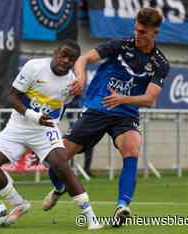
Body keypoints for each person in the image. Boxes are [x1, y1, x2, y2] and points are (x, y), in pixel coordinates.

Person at [42, 7, 170, 227]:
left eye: (143, 32)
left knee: (132, 148)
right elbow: (83, 59)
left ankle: (122, 207)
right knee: (56, 159)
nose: (138, 35)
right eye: (137, 29)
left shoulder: (160, 63)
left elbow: (150, 99)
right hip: (97, 109)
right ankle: (59, 187)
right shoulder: (119, 45)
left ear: (155, 33)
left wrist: (123, 99)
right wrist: (81, 79)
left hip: (125, 113)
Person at [0, 39, 103, 230]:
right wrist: (32, 115)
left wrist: (45, 142)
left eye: (71, 59)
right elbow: (12, 96)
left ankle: (90, 216)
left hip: (45, 130)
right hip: (18, 126)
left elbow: (58, 108)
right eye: (63, 55)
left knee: (62, 165)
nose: (66, 60)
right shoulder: (33, 67)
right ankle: (19, 204)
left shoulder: (72, 83)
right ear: (55, 53)